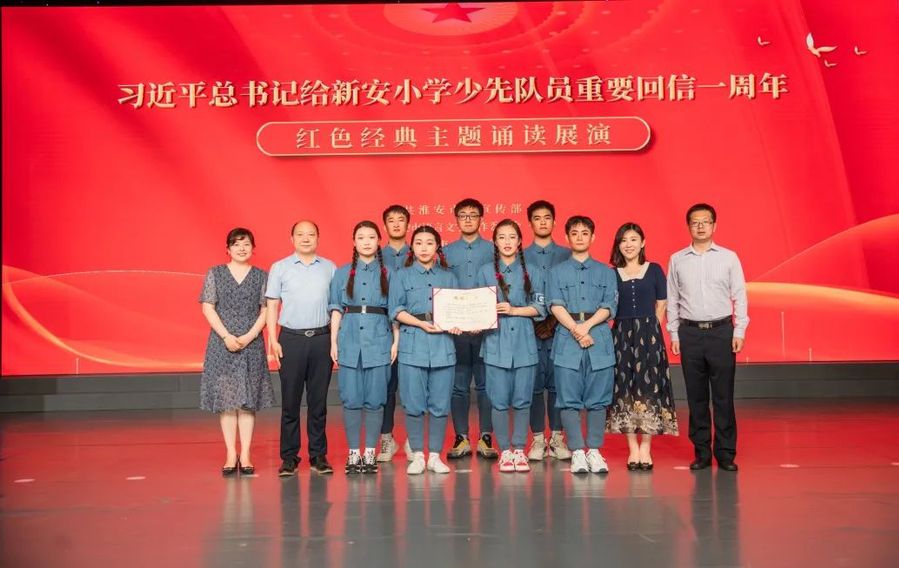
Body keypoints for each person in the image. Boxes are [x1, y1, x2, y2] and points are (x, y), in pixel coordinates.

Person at [667, 203, 748, 472]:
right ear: (688, 226)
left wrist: (739, 330)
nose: (700, 226)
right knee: (696, 397)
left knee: (723, 396)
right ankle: (701, 452)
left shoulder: (729, 258)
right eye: (695, 222)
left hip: (722, 332)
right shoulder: (677, 259)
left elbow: (740, 295)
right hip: (690, 333)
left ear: (714, 225)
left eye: (706, 221)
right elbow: (672, 299)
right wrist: (674, 333)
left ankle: (725, 453)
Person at [199, 228, 274, 476]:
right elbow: (208, 307)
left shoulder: (261, 276)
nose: (242, 248)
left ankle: (246, 454)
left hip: (251, 343)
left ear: (253, 248)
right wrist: (226, 336)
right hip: (222, 344)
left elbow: (266, 311)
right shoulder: (215, 273)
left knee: (247, 402)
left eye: (246, 244)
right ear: (228, 249)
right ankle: (231, 453)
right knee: (227, 402)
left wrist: (249, 336)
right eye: (236, 244)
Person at [389, 226, 462, 475]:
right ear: (412, 247)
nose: (423, 248)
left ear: (437, 247)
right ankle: (418, 456)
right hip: (413, 345)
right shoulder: (401, 276)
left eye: (429, 243)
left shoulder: (449, 277)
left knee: (440, 405)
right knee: (413, 404)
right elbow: (395, 310)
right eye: (418, 243)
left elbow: (457, 309)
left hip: (443, 346)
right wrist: (420, 323)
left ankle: (435, 456)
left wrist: (458, 324)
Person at [547, 215, 618, 474]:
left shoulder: (606, 272)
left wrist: (586, 327)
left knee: (598, 399)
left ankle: (594, 451)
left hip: (598, 338)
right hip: (567, 339)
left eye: (584, 233)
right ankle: (577, 451)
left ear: (593, 237)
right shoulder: (556, 272)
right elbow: (555, 305)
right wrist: (577, 330)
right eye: (574, 233)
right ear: (567, 237)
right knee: (568, 399)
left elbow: (609, 306)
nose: (579, 237)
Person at [266, 220, 337, 476]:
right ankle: (289, 457)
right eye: (300, 234)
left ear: (318, 238)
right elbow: (272, 306)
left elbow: (336, 307)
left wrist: (335, 341)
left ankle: (318, 455)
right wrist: (272, 340)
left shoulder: (330, 268)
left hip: (321, 339)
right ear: (292, 238)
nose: (306, 238)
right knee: (290, 402)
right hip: (291, 340)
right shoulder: (280, 268)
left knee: (318, 402)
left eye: (311, 234)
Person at [606, 222, 679, 471]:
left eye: (633, 239)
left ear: (643, 242)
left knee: (649, 388)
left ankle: (646, 446)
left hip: (649, 335)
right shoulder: (612, 274)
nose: (628, 244)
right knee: (624, 388)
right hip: (621, 336)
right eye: (624, 240)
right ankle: (632, 448)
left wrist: (650, 331)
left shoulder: (654, 269)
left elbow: (662, 304)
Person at [329, 221, 398, 474]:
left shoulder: (390, 273)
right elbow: (336, 308)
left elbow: (395, 311)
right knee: (351, 399)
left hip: (380, 340)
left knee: (376, 400)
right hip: (349, 340)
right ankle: (353, 453)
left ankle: (370, 452)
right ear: (354, 242)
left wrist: (396, 343)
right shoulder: (342, 273)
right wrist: (333, 341)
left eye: (371, 237)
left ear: (379, 241)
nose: (366, 242)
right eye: (361, 237)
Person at [478, 220, 546, 473]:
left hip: (524, 344)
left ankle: (519, 449)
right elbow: (476, 305)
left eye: (512, 237)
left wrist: (514, 310)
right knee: (498, 401)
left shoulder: (533, 271)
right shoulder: (485, 271)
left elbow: (541, 307)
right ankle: (505, 450)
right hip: (495, 343)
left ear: (519, 241)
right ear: (495, 242)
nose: (507, 242)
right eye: (502, 237)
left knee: (522, 400)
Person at [444, 198, 498, 459]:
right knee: (458, 385)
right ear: (456, 219)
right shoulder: (445, 252)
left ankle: (486, 436)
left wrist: (485, 318)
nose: (468, 219)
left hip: (486, 330)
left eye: (473, 215)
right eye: (463, 215)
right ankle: (461, 437)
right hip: (456, 331)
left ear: (481, 219)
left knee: (486, 385)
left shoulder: (493, 250)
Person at [523, 200, 572, 461]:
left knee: (557, 386)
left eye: (547, 217)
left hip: (561, 329)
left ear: (554, 221)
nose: (542, 222)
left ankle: (557, 438)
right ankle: (538, 439)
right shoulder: (520, 256)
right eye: (537, 218)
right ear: (530, 223)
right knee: (533, 386)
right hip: (529, 330)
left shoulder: (567, 254)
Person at [377, 205, 412, 463]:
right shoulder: (375, 256)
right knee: (386, 388)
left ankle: (413, 440)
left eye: (401, 220)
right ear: (385, 226)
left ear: (408, 224)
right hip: (383, 330)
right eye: (392, 220)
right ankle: (387, 438)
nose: (397, 224)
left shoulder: (420, 251)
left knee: (413, 389)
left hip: (413, 329)